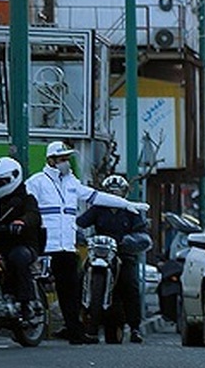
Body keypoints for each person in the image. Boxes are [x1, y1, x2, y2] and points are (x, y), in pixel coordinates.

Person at [26, 141, 149, 345]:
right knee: (38, 286)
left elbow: (96, 196)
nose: (66, 163)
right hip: (45, 246)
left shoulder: (71, 183)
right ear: (51, 160)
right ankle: (34, 325)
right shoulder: (36, 182)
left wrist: (126, 204)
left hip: (67, 247)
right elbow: (28, 208)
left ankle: (75, 331)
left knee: (73, 290)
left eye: (67, 158)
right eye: (62, 159)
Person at [76, 174, 152, 343]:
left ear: (124, 193)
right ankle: (75, 322)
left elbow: (142, 233)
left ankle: (135, 327)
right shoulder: (97, 208)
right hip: (97, 253)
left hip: (123, 254)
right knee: (78, 280)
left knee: (130, 284)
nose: (114, 196)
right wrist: (77, 234)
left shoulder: (131, 210)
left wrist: (131, 241)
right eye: (111, 193)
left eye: (118, 193)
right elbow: (80, 223)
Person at [0, 157, 44, 319]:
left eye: (0, 182)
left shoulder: (26, 199)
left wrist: (22, 222)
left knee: (18, 257)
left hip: (21, 243)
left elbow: (33, 215)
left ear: (13, 178)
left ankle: (25, 303)